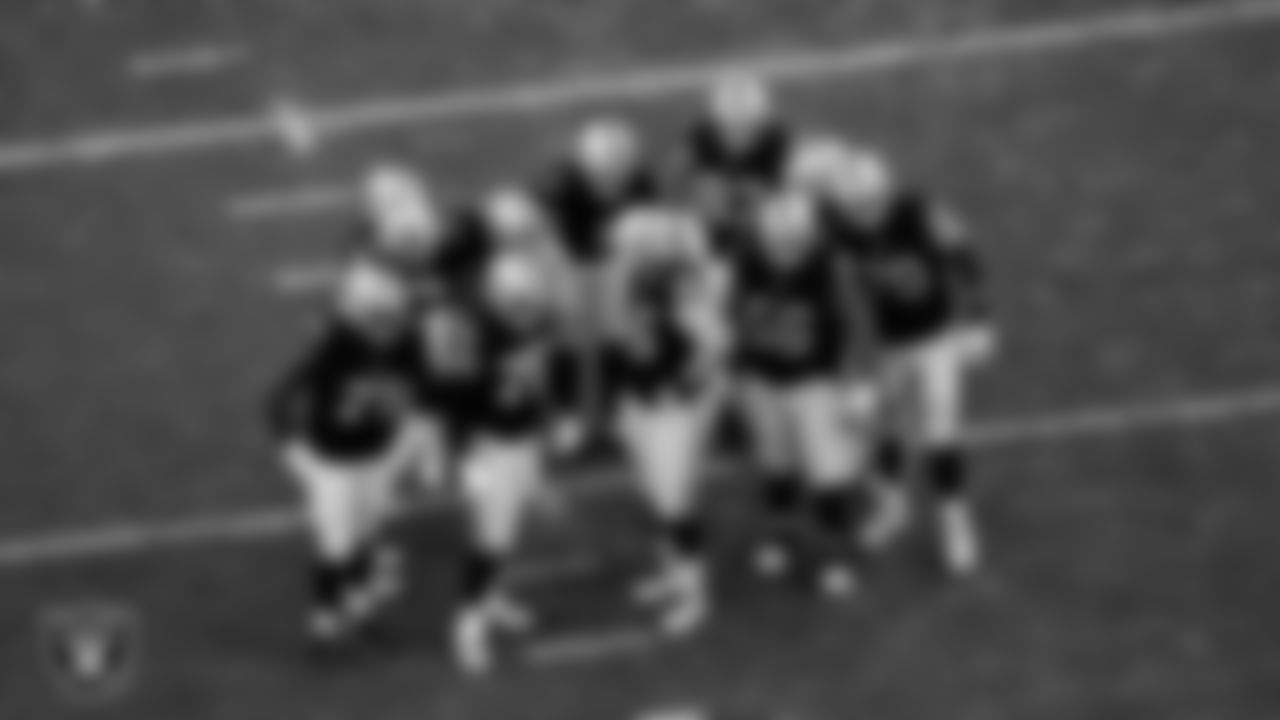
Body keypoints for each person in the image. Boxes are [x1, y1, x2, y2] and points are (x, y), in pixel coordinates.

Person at [798, 146, 995, 576]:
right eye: (855, 205)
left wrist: (978, 319)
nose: (865, 213)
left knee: (939, 433)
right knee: (884, 428)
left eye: (871, 202)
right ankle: (894, 505)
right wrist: (857, 370)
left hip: (935, 336)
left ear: (886, 194)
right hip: (886, 342)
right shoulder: (834, 224)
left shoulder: (919, 212)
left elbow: (965, 257)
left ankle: (955, 521)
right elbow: (837, 294)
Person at [438, 250, 582, 675]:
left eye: (526, 298)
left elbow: (564, 365)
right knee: (491, 540)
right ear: (494, 298)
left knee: (506, 531)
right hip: (491, 446)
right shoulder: (473, 335)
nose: (522, 308)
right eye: (512, 300)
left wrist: (568, 411)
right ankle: (467, 625)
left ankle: (492, 600)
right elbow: (455, 405)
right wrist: (466, 459)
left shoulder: (544, 321)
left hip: (524, 441)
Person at [269, 262, 426, 650]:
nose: (388, 325)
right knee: (336, 545)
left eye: (391, 316)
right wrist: (294, 452)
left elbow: (417, 390)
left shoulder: (405, 342)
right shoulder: (333, 348)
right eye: (378, 317)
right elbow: (277, 402)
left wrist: (407, 435)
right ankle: (323, 617)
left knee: (365, 535)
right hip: (332, 462)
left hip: (376, 455)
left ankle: (356, 605)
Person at [728, 190, 874, 599]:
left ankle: (836, 555)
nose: (783, 251)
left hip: (816, 383)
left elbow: (858, 325)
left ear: (809, 238)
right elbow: (727, 314)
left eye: (793, 242)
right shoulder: (745, 259)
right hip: (760, 379)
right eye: (775, 242)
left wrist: (858, 384)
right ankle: (782, 534)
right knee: (775, 465)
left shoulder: (833, 268)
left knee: (829, 474)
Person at [598, 204, 731, 636]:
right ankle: (672, 572)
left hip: (670, 408)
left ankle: (696, 594)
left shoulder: (682, 288)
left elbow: (714, 349)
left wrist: (679, 390)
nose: (620, 256)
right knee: (655, 495)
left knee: (674, 501)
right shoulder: (626, 281)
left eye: (629, 251)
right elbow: (619, 341)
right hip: (638, 401)